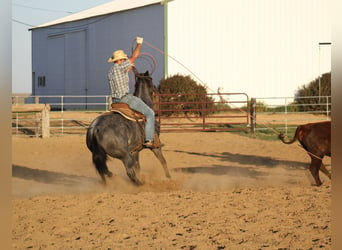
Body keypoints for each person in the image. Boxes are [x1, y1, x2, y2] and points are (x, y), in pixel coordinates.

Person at [107, 37, 155, 148]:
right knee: (150, 113)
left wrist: (128, 68)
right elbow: (134, 57)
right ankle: (149, 139)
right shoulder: (120, 67)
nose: (125, 61)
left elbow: (121, 73)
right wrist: (139, 44)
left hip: (114, 101)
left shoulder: (111, 71)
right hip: (125, 99)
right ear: (120, 61)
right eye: (124, 60)